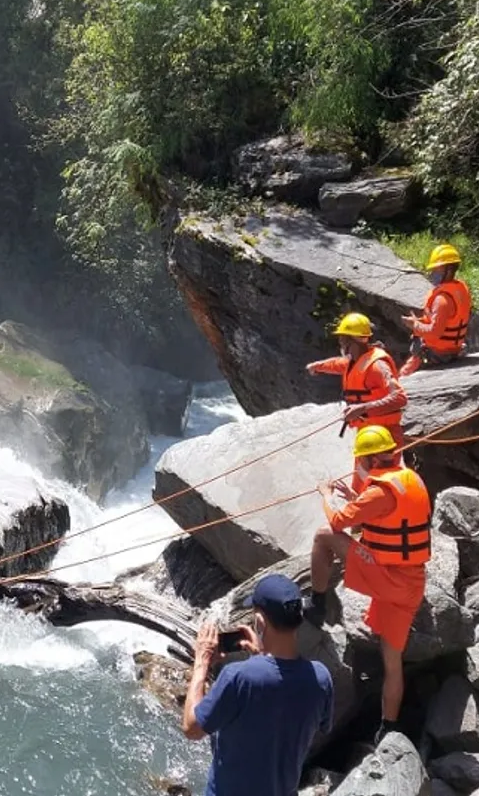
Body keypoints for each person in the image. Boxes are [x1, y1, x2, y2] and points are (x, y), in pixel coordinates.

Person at [305, 425, 431, 742]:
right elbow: (389, 513)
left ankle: (317, 604)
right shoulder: (410, 479)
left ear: (371, 457)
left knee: (324, 536)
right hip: (411, 581)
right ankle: (388, 727)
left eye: (361, 457)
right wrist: (356, 497)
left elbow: (337, 521)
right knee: (393, 661)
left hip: (386, 575)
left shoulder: (379, 490)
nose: (359, 462)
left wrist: (326, 494)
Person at [182, 574, 334, 796]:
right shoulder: (321, 678)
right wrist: (262, 655)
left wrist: (201, 663)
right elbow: (286, 700)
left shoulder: (238, 676)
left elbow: (191, 728)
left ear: (260, 622)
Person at [306, 311, 408, 485]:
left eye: (342, 338)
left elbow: (400, 398)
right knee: (362, 481)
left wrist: (362, 408)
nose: (340, 342)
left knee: (382, 482)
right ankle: (362, 505)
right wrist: (318, 366)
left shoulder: (378, 366)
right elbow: (339, 364)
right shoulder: (356, 359)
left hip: (385, 436)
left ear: (352, 340)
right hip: (369, 433)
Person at [400, 243, 472, 377]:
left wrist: (414, 325)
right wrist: (421, 321)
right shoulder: (460, 290)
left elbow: (434, 333)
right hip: (455, 348)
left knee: (416, 347)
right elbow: (449, 320)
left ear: (449, 269)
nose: (432, 273)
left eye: (436, 269)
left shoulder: (442, 300)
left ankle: (403, 377)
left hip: (439, 353)